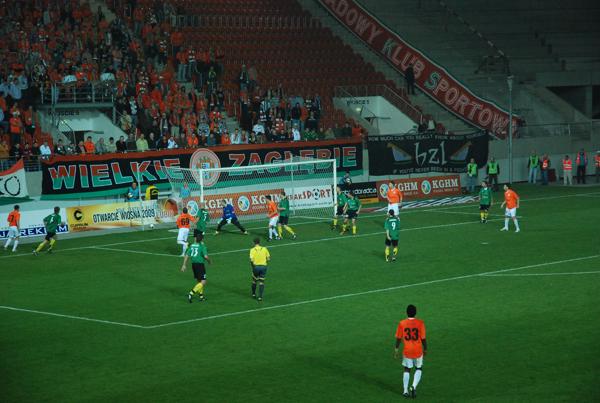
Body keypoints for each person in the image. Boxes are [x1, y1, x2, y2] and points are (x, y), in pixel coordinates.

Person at [394, 304, 427, 398]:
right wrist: (425, 348)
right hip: (418, 350)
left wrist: (396, 349)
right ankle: (413, 386)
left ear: (406, 312)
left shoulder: (402, 323)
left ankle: (405, 391)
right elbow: (423, 338)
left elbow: (398, 338)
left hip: (407, 351)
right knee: (419, 368)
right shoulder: (420, 323)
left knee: (407, 369)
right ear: (415, 313)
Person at [180, 234, 211, 303]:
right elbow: (205, 256)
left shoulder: (192, 246)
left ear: (196, 239)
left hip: (194, 265)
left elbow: (187, 255)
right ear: (202, 239)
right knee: (203, 281)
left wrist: (184, 265)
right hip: (200, 265)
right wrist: (209, 261)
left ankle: (201, 297)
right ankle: (191, 293)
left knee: (199, 281)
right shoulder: (202, 246)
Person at [249, 237, 270, 301]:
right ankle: (260, 297)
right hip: (263, 267)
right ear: (259, 242)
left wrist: (253, 267)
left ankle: (253, 294)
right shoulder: (264, 249)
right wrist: (264, 263)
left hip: (256, 267)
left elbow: (251, 260)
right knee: (261, 282)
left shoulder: (252, 250)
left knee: (254, 281)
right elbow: (268, 258)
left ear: (254, 243)